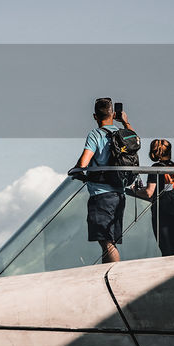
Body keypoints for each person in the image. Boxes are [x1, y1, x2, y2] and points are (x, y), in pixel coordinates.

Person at [72, 98, 132, 264]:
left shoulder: (95, 134)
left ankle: (115, 277)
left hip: (101, 195)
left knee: (107, 243)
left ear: (94, 116)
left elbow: (84, 163)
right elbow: (135, 140)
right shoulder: (123, 133)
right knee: (109, 241)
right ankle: (108, 274)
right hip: (120, 193)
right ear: (113, 114)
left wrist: (75, 170)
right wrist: (126, 123)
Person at [133, 139, 174, 256]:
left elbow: (149, 192)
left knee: (167, 250)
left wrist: (136, 191)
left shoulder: (156, 168)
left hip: (162, 214)